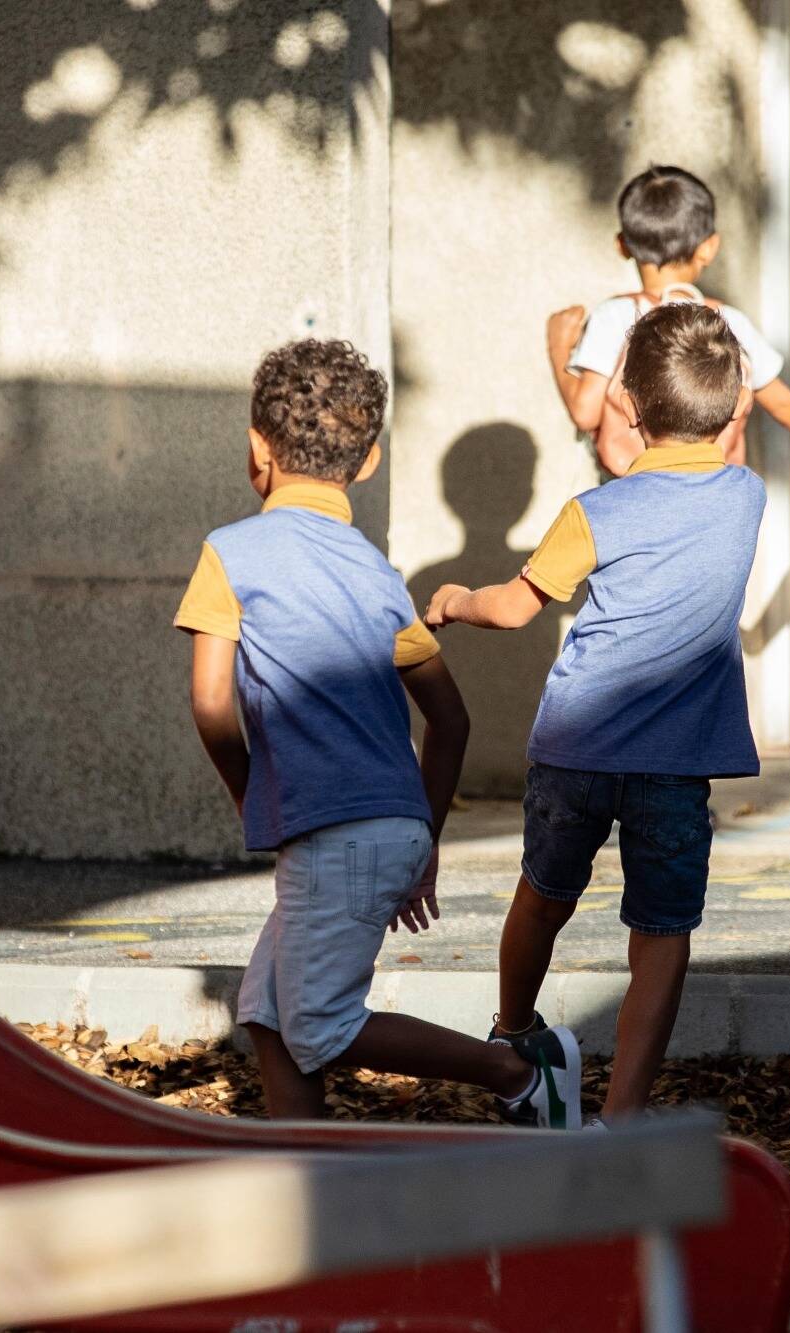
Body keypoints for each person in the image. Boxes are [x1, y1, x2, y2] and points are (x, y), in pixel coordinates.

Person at [176, 339, 577, 1127]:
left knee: (319, 1025)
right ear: (368, 462)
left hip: (333, 835)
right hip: (390, 823)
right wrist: (423, 838)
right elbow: (450, 720)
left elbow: (212, 705)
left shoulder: (231, 553)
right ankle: (307, 1163)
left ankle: (519, 1071)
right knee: (266, 1010)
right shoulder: (376, 574)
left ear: (257, 447)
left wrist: (249, 790)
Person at [426, 303, 764, 1121]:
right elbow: (734, 417)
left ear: (628, 402)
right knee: (662, 934)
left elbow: (513, 609)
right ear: (733, 401)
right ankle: (622, 1114)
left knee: (543, 895)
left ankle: (514, 1033)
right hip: (676, 766)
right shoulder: (746, 496)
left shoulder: (597, 511)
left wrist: (456, 599)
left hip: (578, 746)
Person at [547, 164, 790, 474]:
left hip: (633, 485)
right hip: (713, 486)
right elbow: (784, 404)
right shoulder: (730, 323)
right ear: (709, 247)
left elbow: (585, 413)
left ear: (622, 246)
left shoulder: (614, 317)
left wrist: (558, 347)